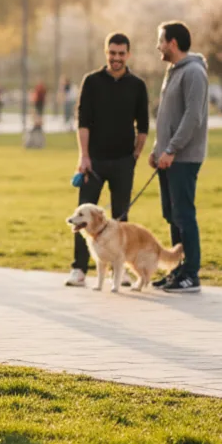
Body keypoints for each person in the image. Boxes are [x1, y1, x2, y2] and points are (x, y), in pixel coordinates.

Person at [65, 33, 150, 287]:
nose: (116, 58)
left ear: (128, 55)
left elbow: (143, 126)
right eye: (112, 53)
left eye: (121, 53)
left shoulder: (137, 85)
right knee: (83, 216)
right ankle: (79, 269)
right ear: (106, 53)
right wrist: (84, 155)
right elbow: (83, 122)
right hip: (94, 161)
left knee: (121, 219)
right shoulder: (91, 82)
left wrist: (135, 155)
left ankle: (118, 272)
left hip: (124, 161)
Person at [149, 21, 209, 295]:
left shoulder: (194, 72)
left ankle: (191, 273)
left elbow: (192, 117)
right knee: (171, 214)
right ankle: (178, 269)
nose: (158, 46)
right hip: (168, 156)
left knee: (184, 214)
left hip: (183, 158)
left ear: (172, 43)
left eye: (161, 41)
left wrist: (171, 150)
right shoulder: (172, 71)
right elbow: (169, 116)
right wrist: (157, 148)